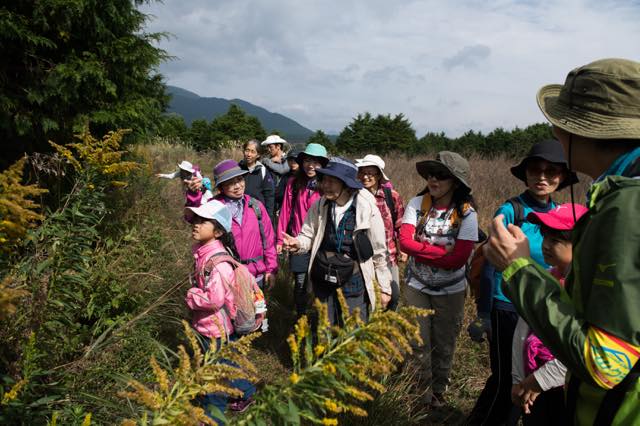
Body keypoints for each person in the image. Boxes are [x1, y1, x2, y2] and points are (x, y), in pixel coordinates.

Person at [485, 58, 640, 426]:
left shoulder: (625, 206)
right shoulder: (619, 194)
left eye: (561, 121)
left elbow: (605, 362)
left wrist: (518, 268)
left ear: (585, 131)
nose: (555, 130)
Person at [467, 140, 577, 425]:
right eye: (535, 170)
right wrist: (484, 313)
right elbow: (491, 261)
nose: (542, 177)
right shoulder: (511, 210)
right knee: (506, 377)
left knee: (536, 375)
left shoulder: (561, 214)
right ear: (525, 174)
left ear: (562, 177)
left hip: (543, 308)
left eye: (551, 171)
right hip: (508, 305)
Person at [398, 151, 478, 408]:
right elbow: (404, 243)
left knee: (444, 343)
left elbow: (459, 260)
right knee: (417, 341)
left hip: (450, 290)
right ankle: (419, 392)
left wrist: (421, 251)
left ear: (456, 181)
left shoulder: (467, 213)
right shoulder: (417, 203)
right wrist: (442, 253)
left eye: (441, 175)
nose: (433, 179)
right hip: (417, 285)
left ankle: (438, 390)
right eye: (431, 174)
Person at [281, 157, 392, 324]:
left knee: (352, 328)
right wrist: (298, 244)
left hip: (353, 280)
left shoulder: (366, 209)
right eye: (324, 180)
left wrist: (384, 288)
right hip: (323, 277)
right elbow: (308, 235)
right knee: (324, 326)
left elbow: (379, 252)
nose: (325, 185)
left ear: (346, 185)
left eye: (332, 181)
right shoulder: (320, 205)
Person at [510, 203, 587, 426]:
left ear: (581, 242)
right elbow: (522, 331)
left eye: (555, 240)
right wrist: (518, 379)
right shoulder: (543, 278)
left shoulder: (586, 291)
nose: (545, 245)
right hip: (532, 383)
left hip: (566, 387)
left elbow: (581, 350)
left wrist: (540, 380)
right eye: (545, 237)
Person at [183, 200, 256, 421]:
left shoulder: (217, 263)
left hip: (216, 328)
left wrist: (191, 295)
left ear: (218, 232)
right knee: (227, 364)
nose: (196, 224)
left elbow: (214, 300)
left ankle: (212, 417)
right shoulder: (204, 253)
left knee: (215, 374)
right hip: (215, 326)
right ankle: (246, 393)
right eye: (195, 219)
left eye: (203, 221)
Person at [276, 144, 329, 317]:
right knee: (300, 284)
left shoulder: (328, 185)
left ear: (323, 164)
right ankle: (301, 318)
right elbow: (285, 211)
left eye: (316, 162)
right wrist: (280, 239)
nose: (311, 165)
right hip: (298, 241)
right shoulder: (294, 183)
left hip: (322, 243)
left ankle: (319, 318)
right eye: (307, 161)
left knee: (320, 284)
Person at [212, 159, 277, 290]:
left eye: (240, 180)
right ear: (221, 187)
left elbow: (268, 241)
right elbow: (193, 220)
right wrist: (194, 194)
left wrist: (271, 269)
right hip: (228, 276)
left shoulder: (256, 206)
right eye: (230, 183)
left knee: (257, 304)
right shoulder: (214, 208)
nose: (237, 186)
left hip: (257, 275)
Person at [355, 154, 406, 311]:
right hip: (362, 255)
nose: (365, 177)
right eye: (363, 172)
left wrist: (402, 249)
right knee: (368, 296)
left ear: (378, 175)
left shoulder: (391, 196)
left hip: (388, 254)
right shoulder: (354, 195)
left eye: (370, 173)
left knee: (393, 295)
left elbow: (400, 225)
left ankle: (388, 322)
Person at [240, 139, 275, 219]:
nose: (249, 154)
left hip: (257, 214)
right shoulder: (237, 169)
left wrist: (268, 217)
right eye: (247, 150)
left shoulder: (263, 171)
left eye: (253, 152)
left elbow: (269, 195)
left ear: (258, 155)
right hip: (240, 212)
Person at [275, 147, 301, 213]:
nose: (293, 163)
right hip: (286, 210)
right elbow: (278, 194)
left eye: (295, 160)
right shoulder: (285, 176)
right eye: (290, 160)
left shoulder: (305, 177)